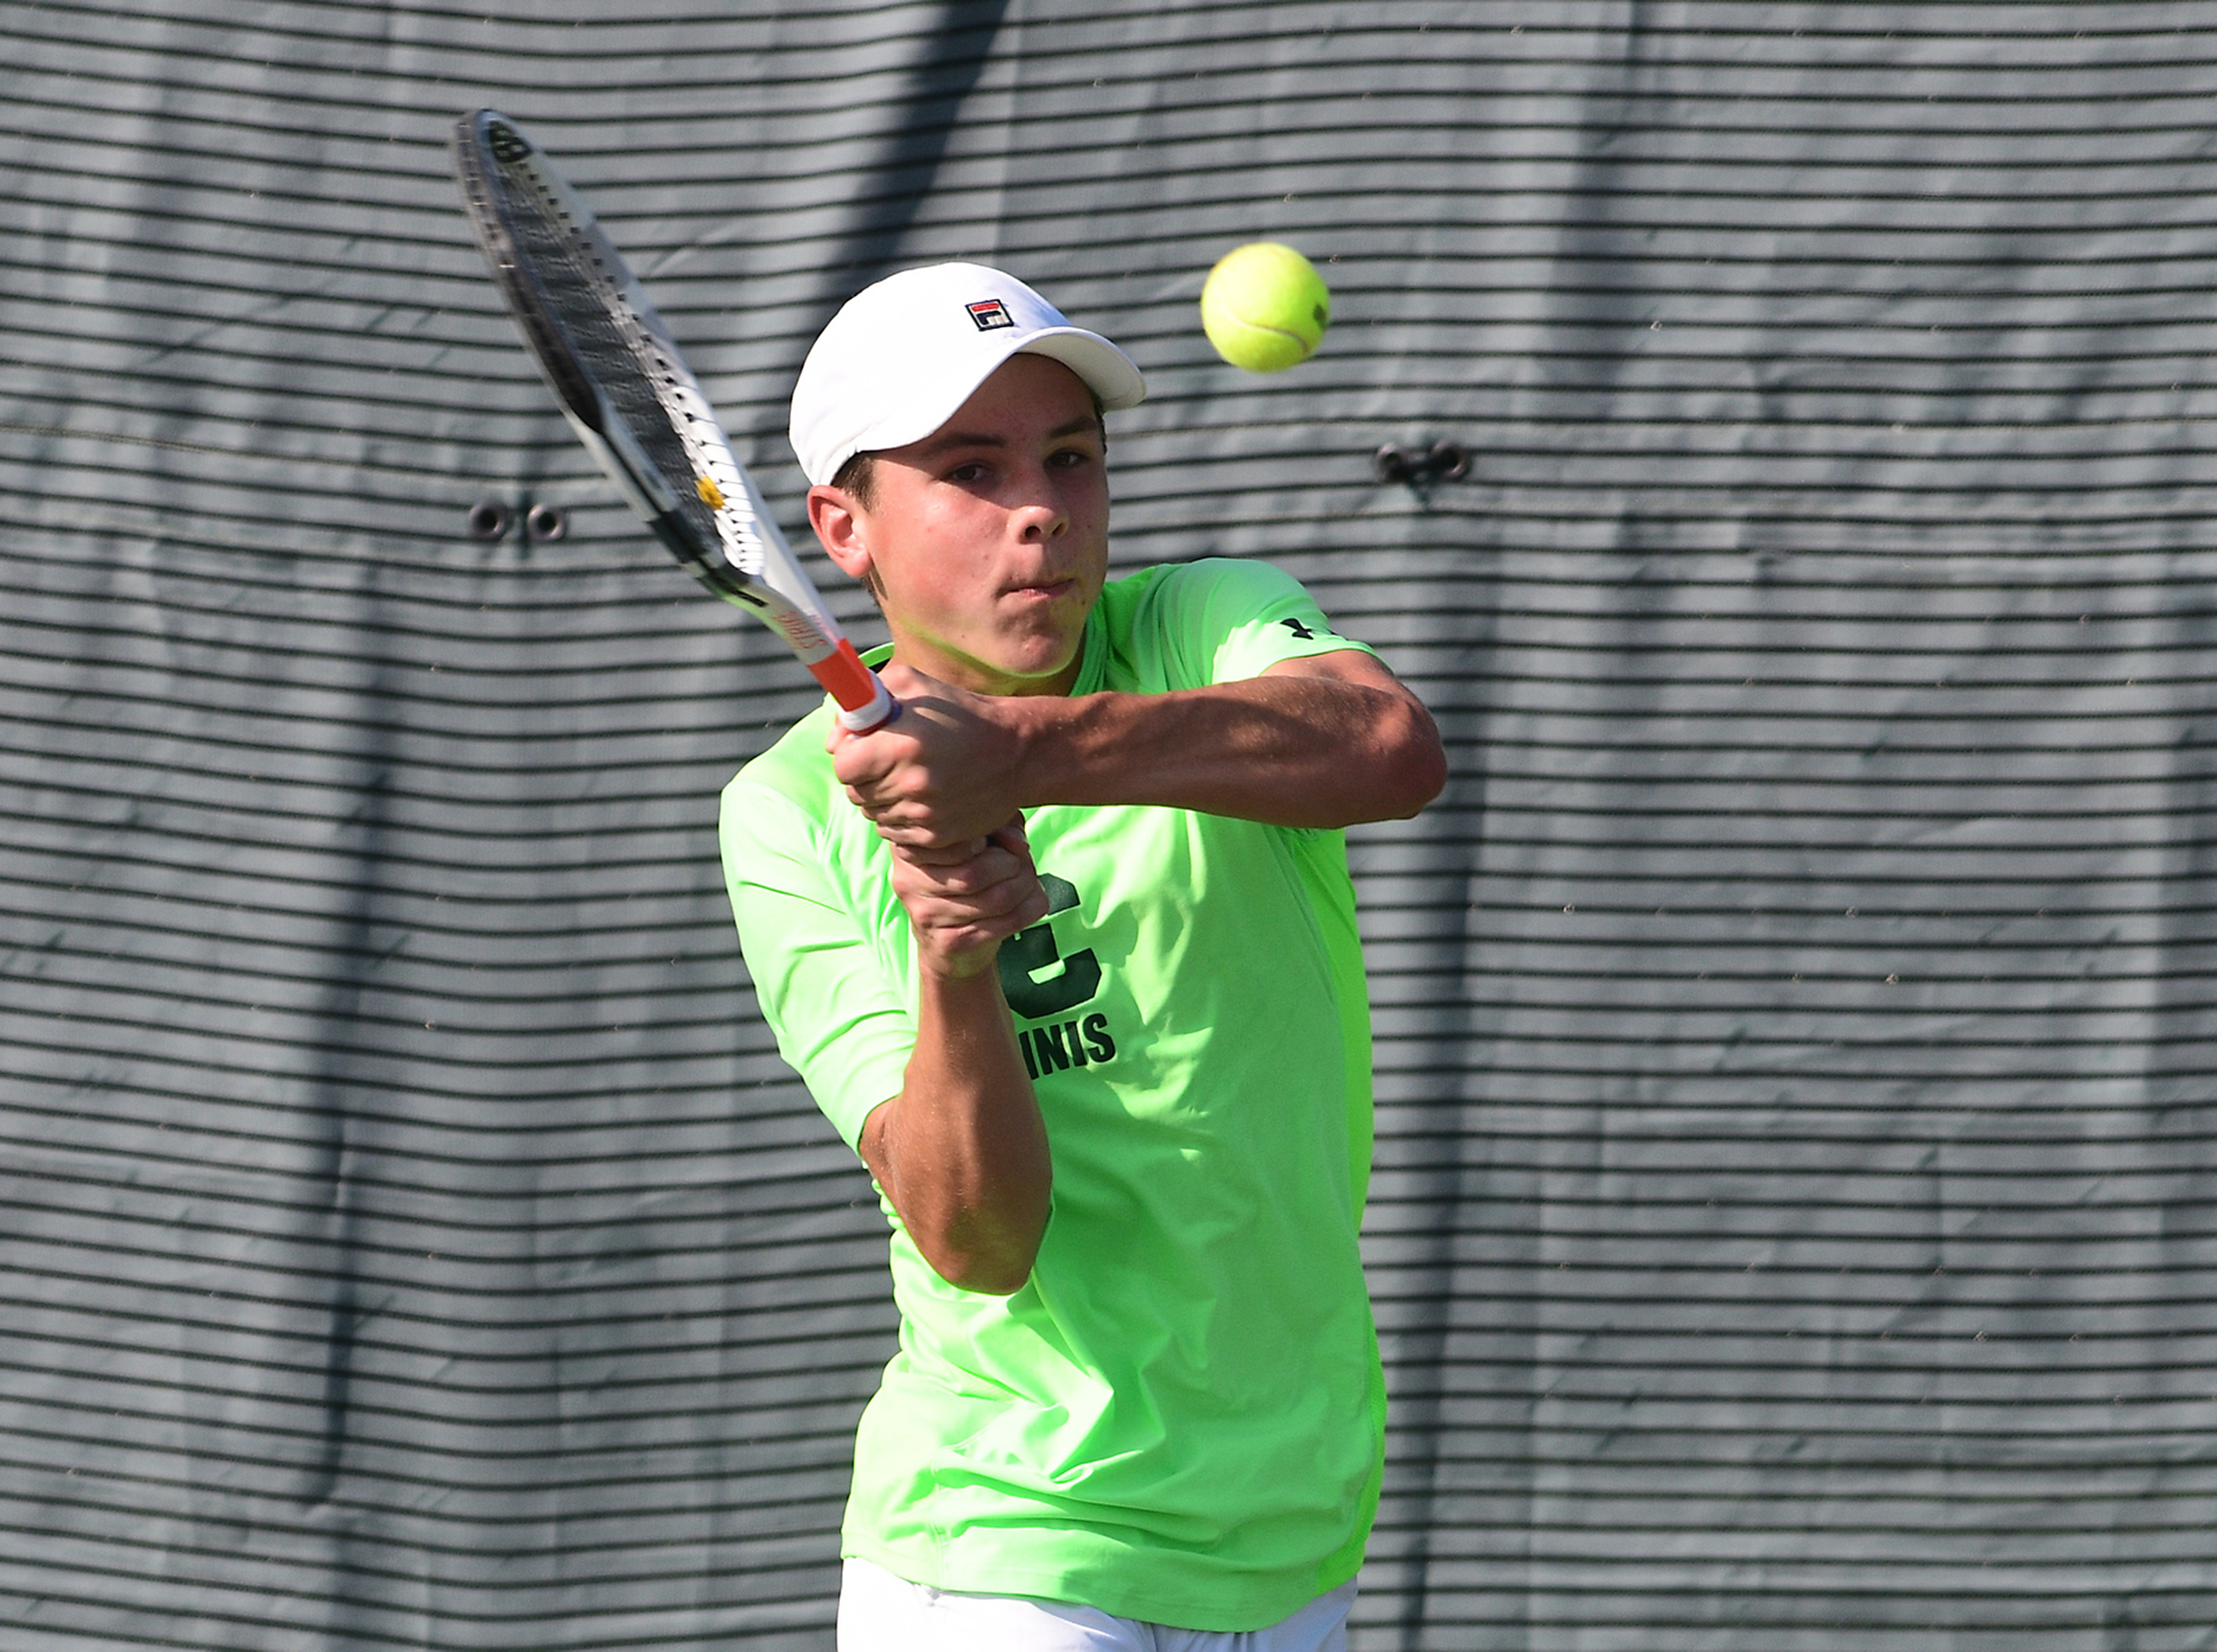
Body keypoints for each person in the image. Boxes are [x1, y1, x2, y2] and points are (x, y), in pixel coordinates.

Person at [718, 262, 1446, 1651]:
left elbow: (1391, 748)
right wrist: (953, 955)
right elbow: (978, 1239)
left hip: (1293, 1530)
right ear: (842, 526)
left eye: (1070, 457)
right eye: (969, 470)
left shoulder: (1206, 625)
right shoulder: (789, 810)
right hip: (1006, 1546)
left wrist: (1029, 752)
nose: (1040, 507)